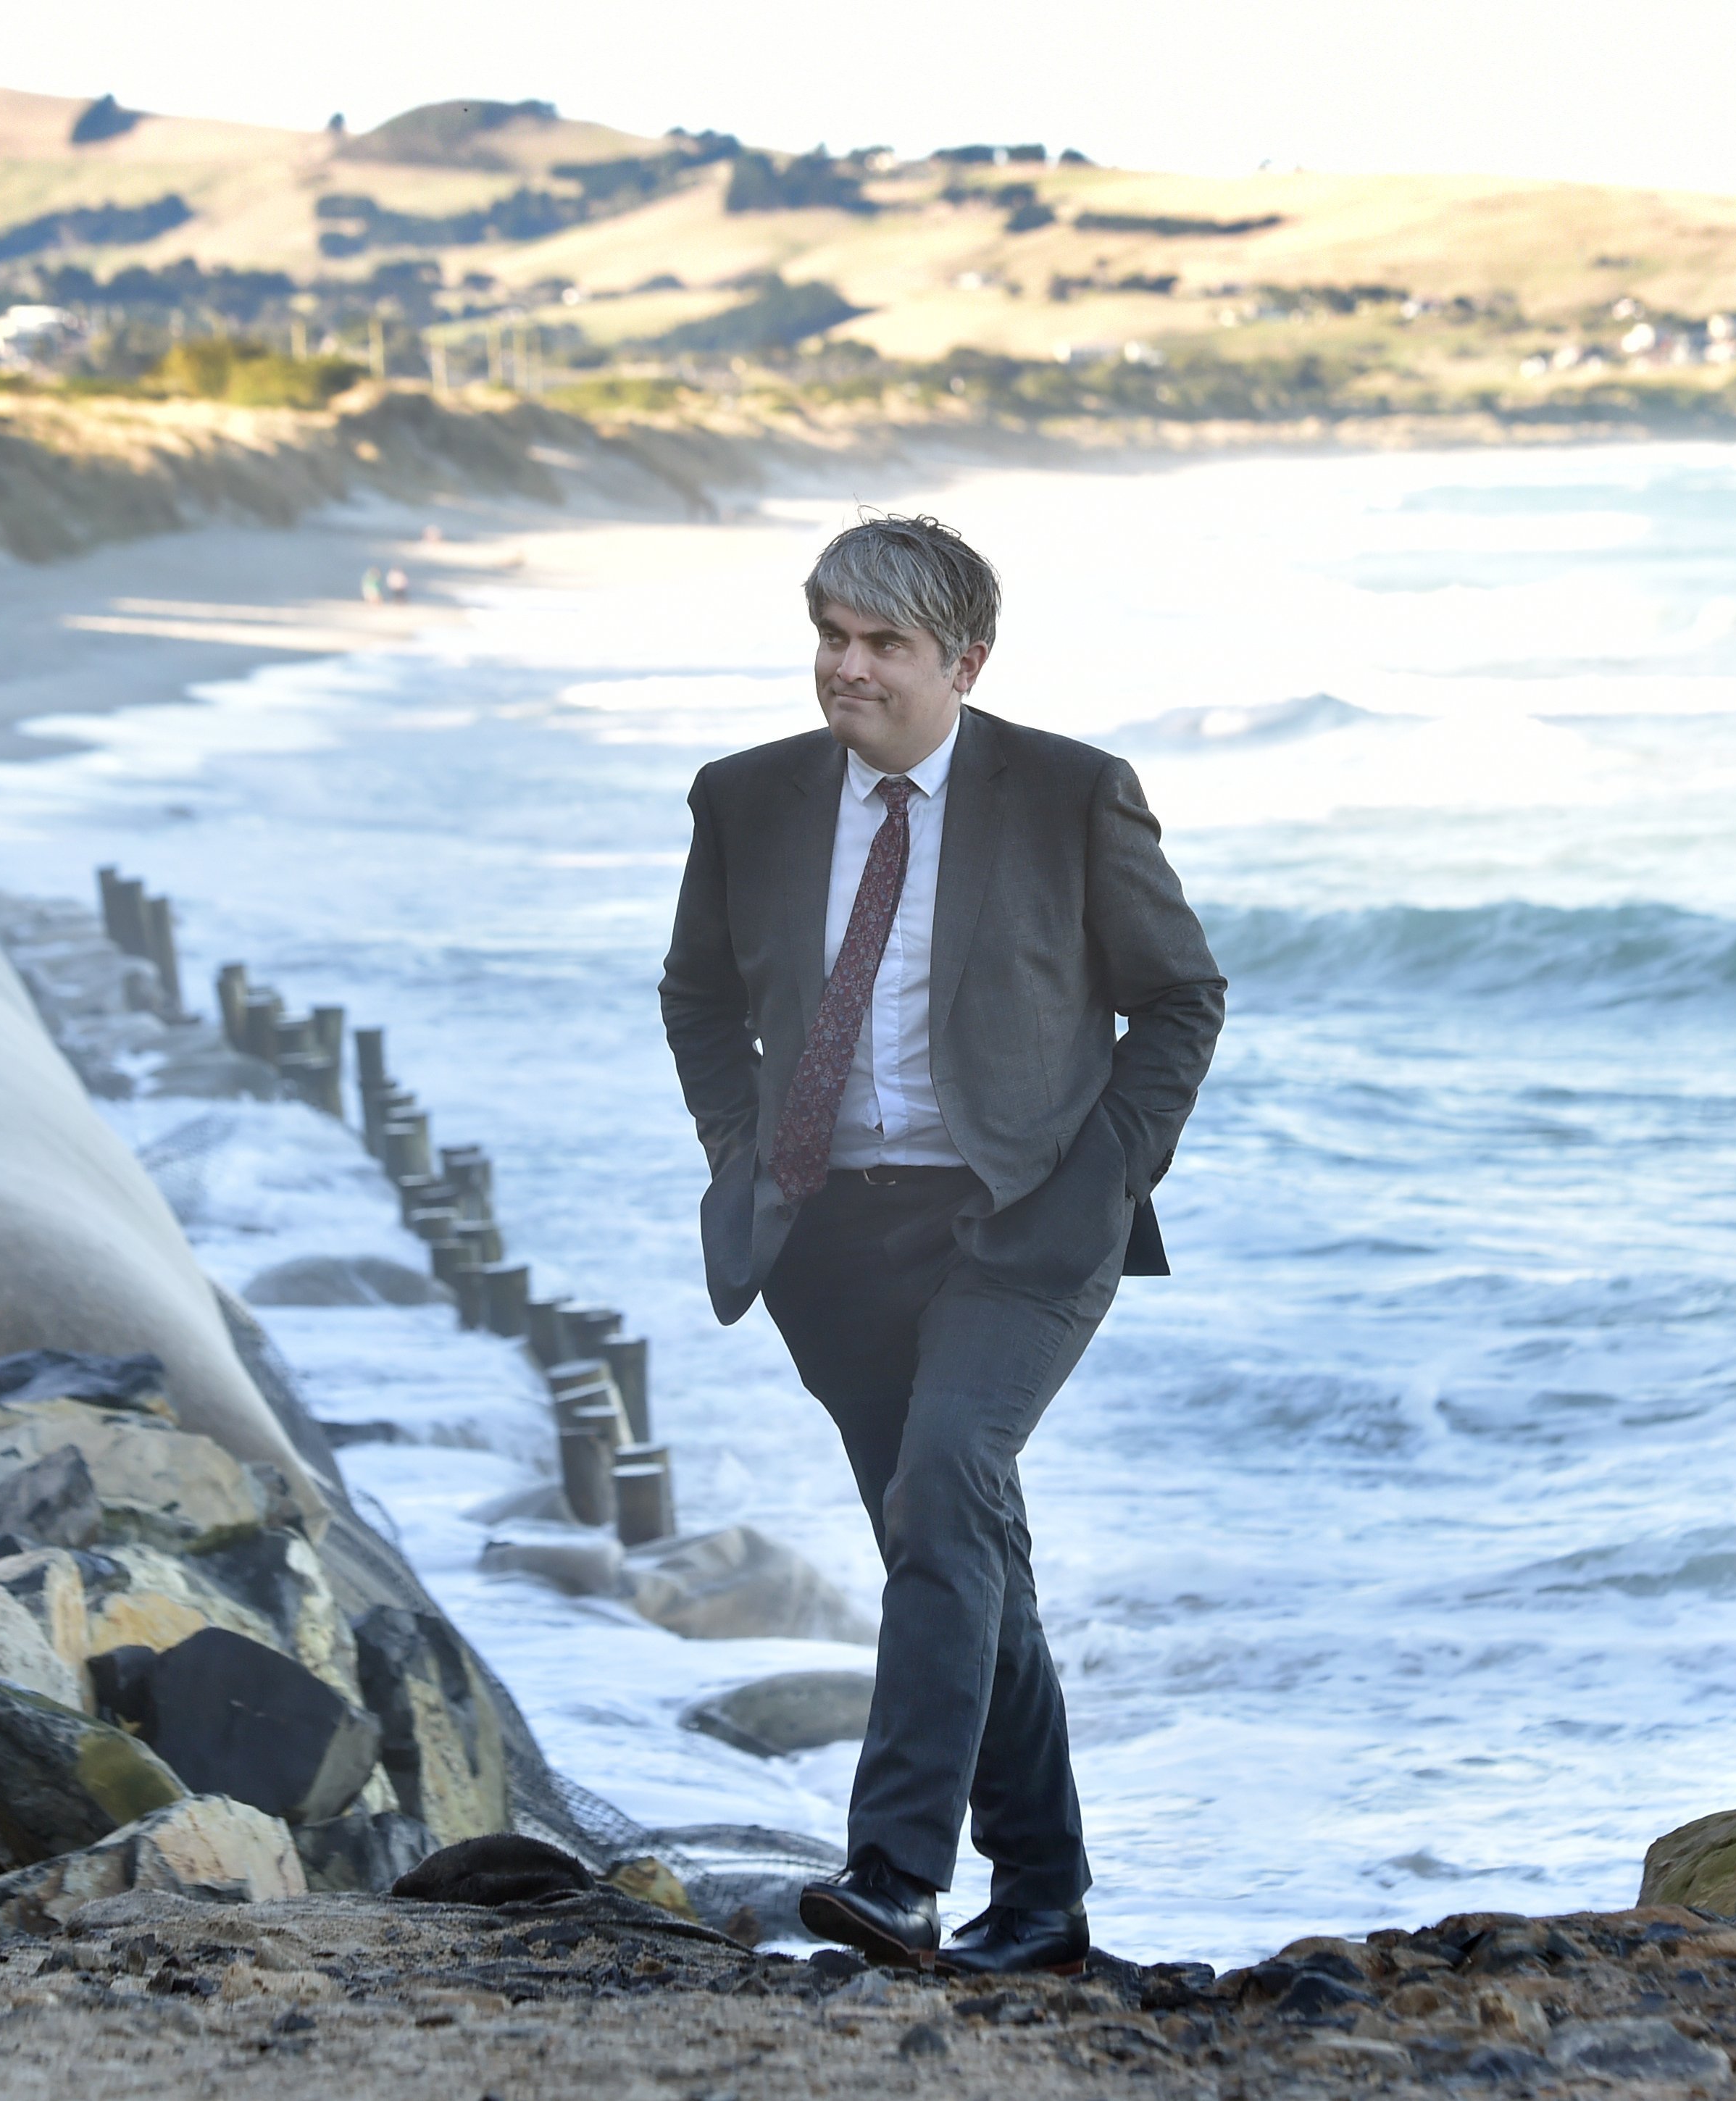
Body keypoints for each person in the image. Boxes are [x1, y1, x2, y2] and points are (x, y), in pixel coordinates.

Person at [658, 515, 1227, 1974]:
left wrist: (1099, 1180)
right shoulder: (745, 798)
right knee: (951, 1536)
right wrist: (745, 1154)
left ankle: (896, 1871)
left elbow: (1178, 1000)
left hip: (1021, 1224)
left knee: (945, 1486)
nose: (846, 669)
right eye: (830, 637)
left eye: (881, 646)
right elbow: (697, 996)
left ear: (963, 661)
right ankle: (1040, 1899)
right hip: (825, 1232)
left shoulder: (1067, 793)